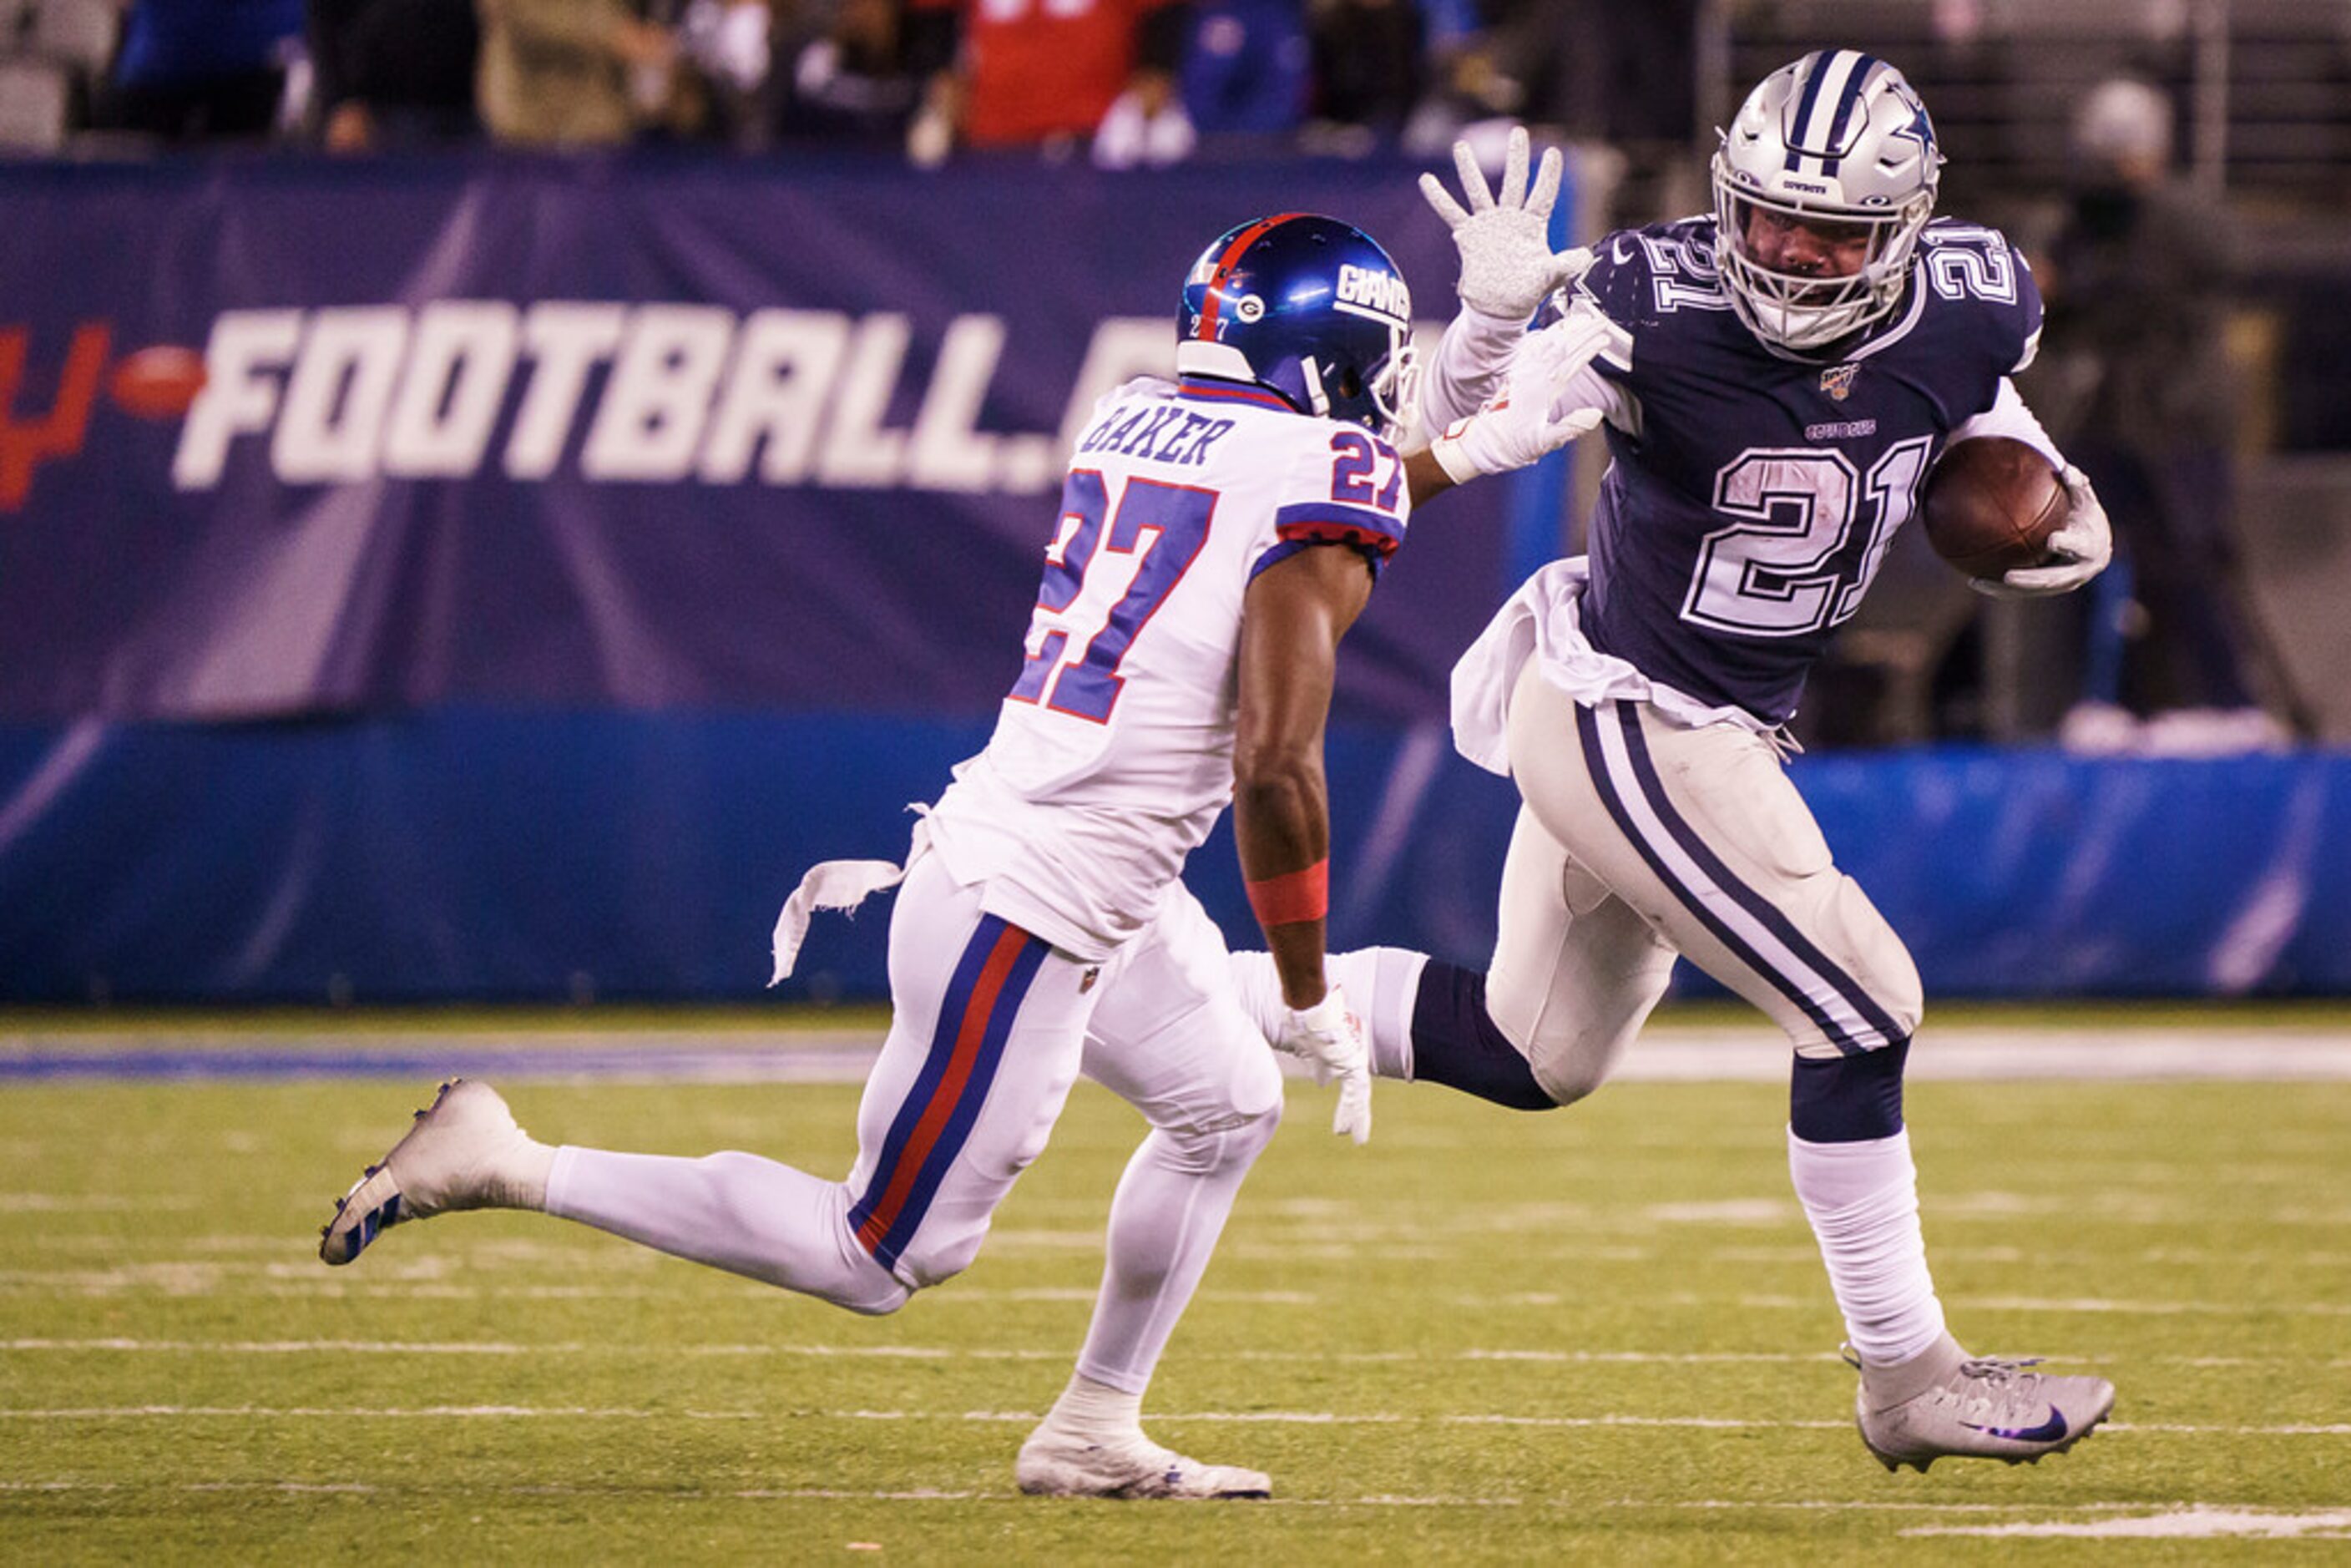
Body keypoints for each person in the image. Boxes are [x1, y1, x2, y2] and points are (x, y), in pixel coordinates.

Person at [316, 214, 1609, 1498]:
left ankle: (1093, 1424)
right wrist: (1309, 987)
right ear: (1325, 351)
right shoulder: (1312, 473)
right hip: (1026, 905)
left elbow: (1339, 474)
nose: (1384, 385)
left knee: (1227, 1108)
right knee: (878, 1254)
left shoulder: (1128, 412)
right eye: (1374, 355)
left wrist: (1480, 367)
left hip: (1080, 875)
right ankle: (507, 1158)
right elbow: (1277, 765)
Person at [1236, 62, 2121, 1472]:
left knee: (1538, 1053)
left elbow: (2010, 450)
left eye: (1827, 232)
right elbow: (1434, 450)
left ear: (1903, 228)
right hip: (1626, 709)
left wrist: (2044, 515)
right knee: (1860, 1001)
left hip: (1707, 718)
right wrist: (1482, 331)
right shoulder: (1648, 307)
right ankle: (1909, 1376)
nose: (1783, 250)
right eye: (1764, 216)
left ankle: (1143, 987)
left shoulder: (1976, 297)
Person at [2036, 76, 2305, 751]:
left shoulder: (2179, 217)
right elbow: (2058, 305)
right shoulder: (2084, 220)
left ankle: (2231, 700)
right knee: (2090, 559)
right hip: (2108, 416)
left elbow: (2211, 268)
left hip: (2176, 419)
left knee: (2190, 556)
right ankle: (2106, 701)